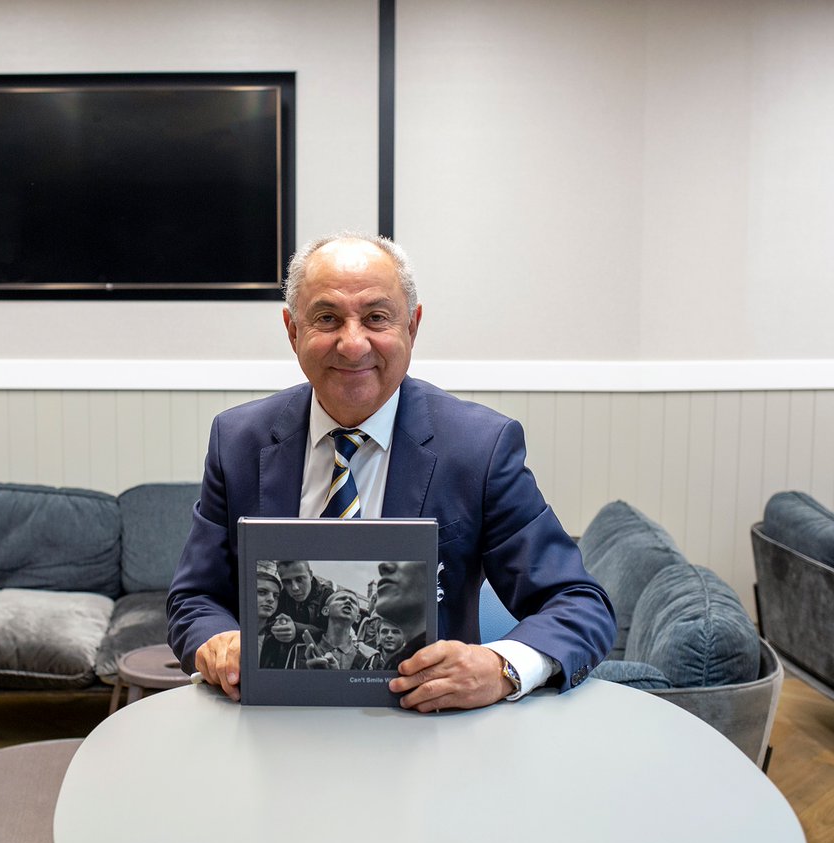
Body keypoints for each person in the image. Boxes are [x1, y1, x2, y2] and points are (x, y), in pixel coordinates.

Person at [167, 232, 616, 713]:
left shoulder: (479, 448)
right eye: (327, 318)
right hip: (271, 725)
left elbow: (578, 603)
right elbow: (194, 598)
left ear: (413, 327)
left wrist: (502, 668)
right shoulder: (238, 441)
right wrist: (216, 642)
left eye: (377, 318)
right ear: (293, 330)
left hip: (428, 728)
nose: (353, 343)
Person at [290, 588, 378, 671]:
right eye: (341, 599)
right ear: (325, 611)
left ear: (357, 618)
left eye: (354, 602)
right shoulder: (298, 650)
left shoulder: (369, 657)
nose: (348, 601)